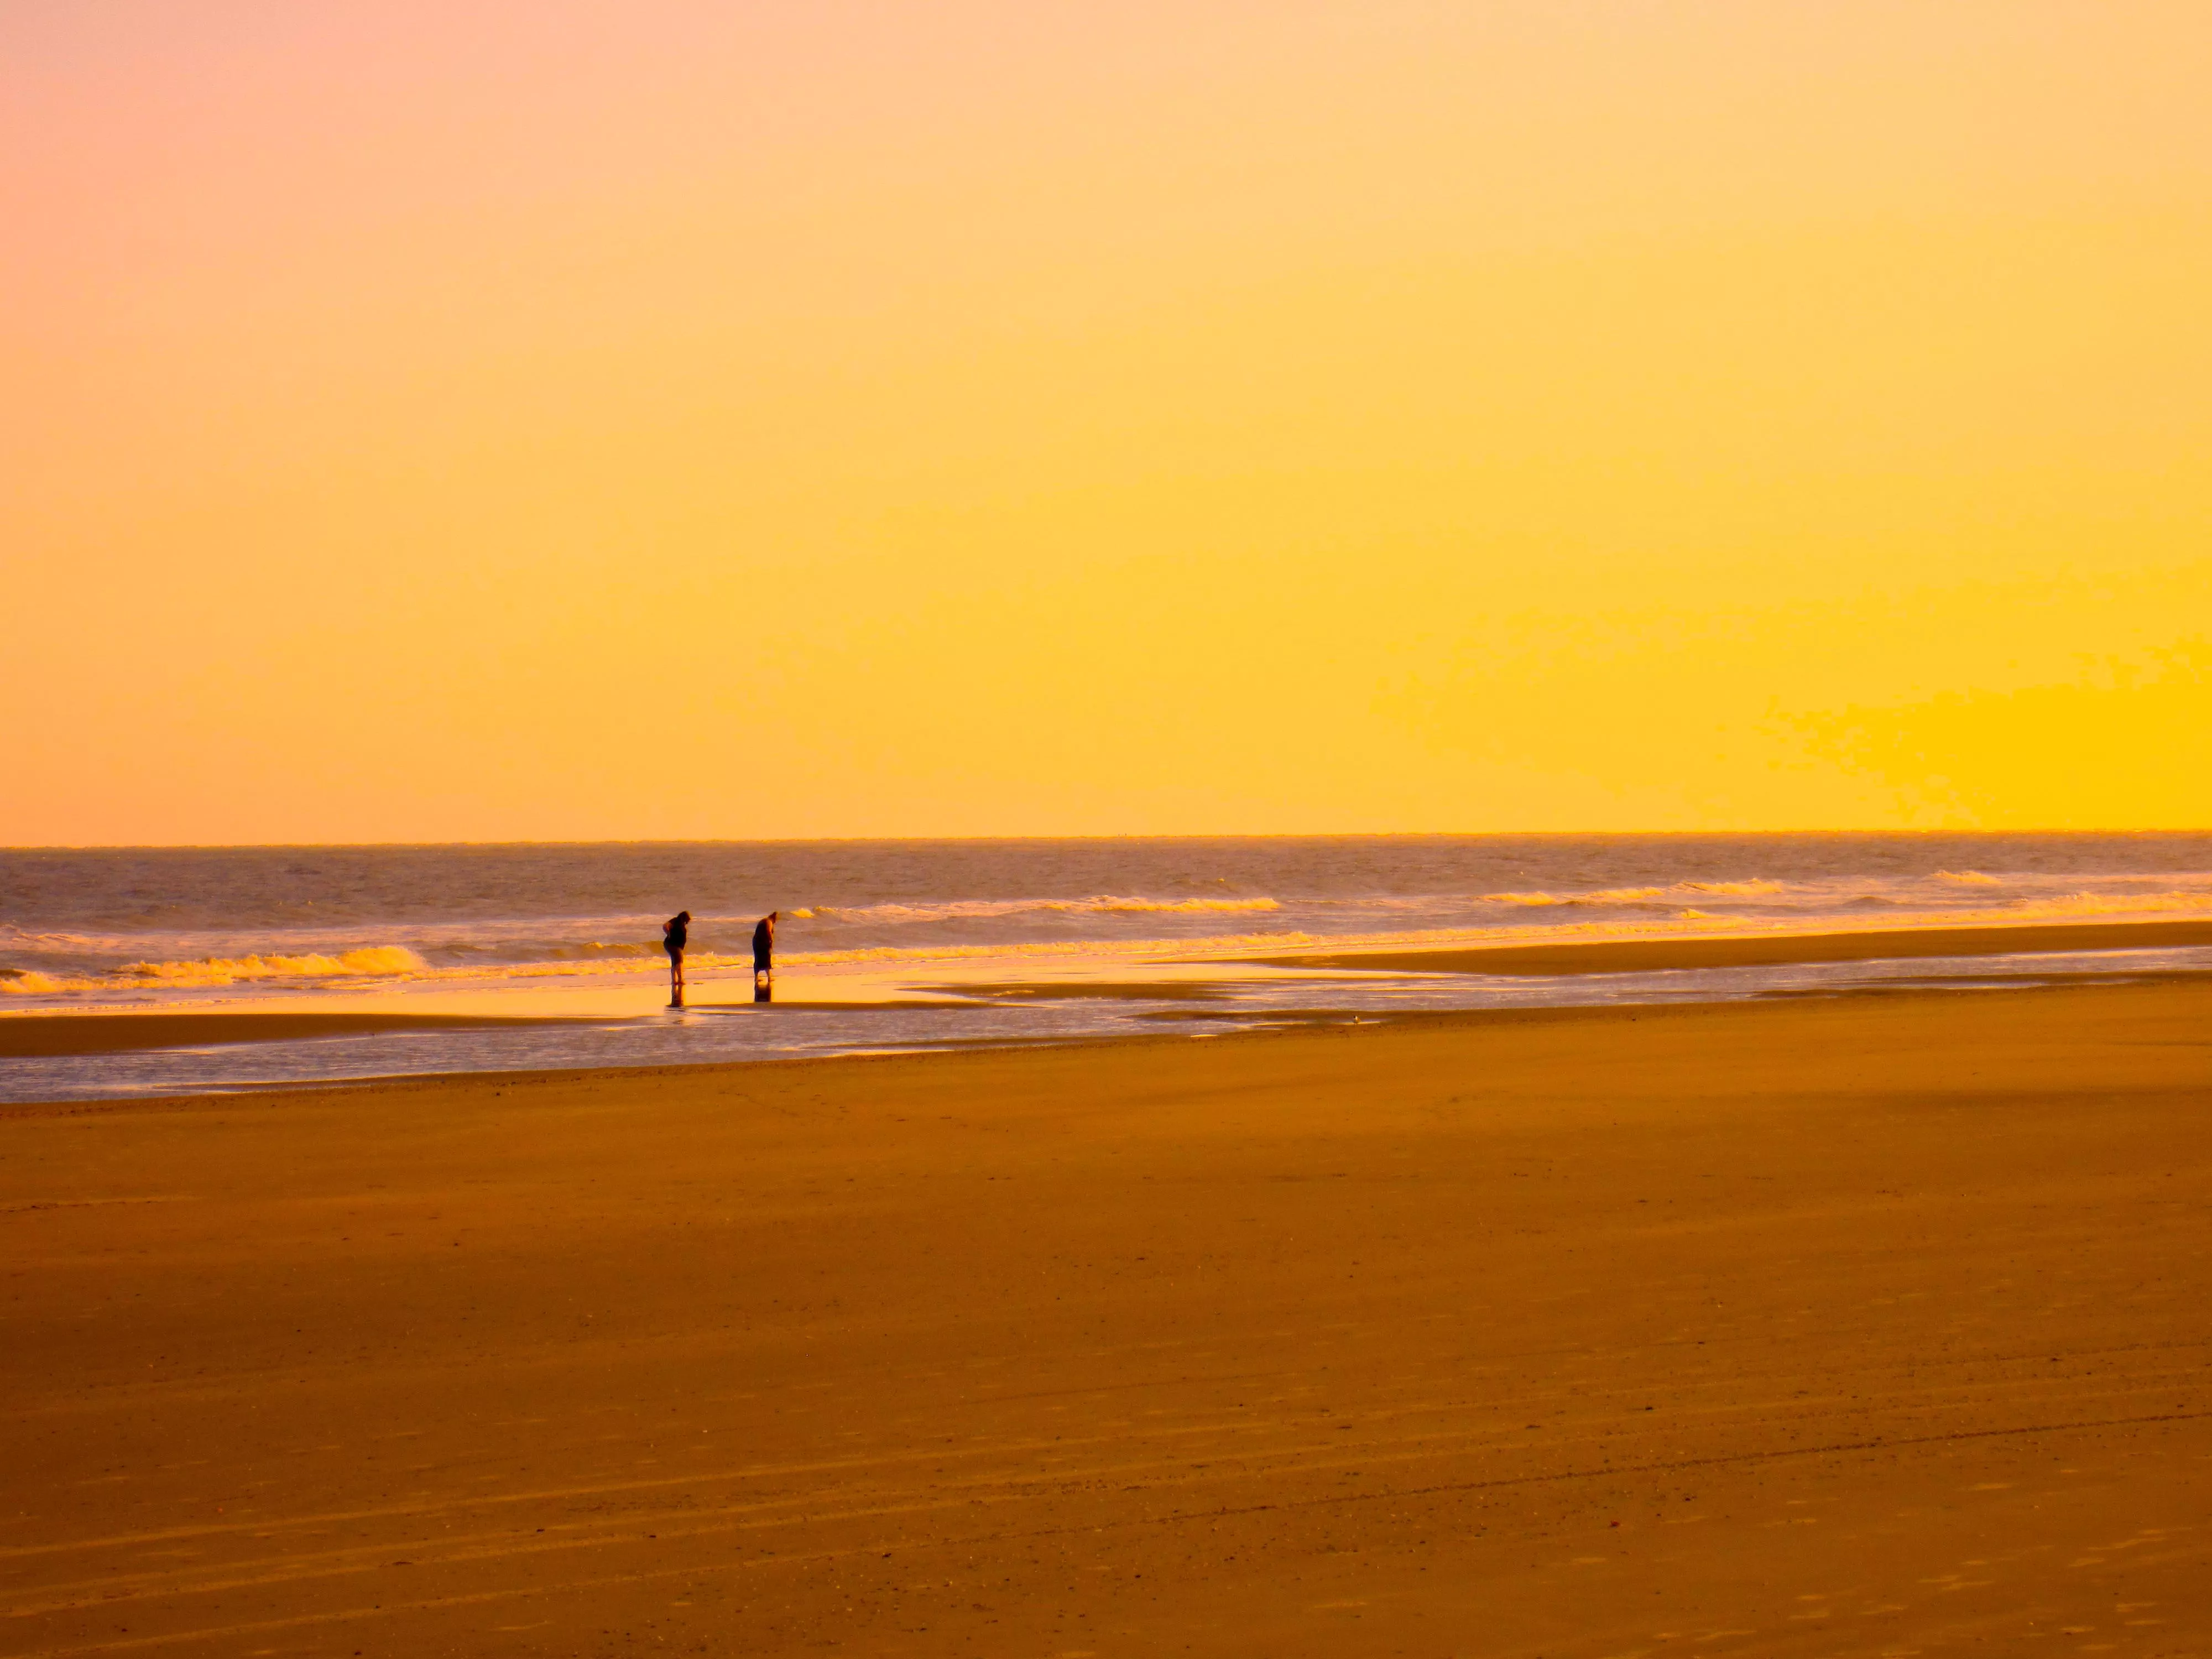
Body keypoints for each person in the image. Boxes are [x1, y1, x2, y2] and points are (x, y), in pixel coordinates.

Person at [662, 910, 691, 1006]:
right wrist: (669, 934)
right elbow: (665, 926)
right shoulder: (675, 921)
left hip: (677, 945)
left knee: (676, 961)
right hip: (671, 944)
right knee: (679, 961)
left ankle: (675, 980)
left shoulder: (681, 925)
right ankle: (679, 979)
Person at [752, 911, 778, 1002]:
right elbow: (769, 933)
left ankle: (756, 978)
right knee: (767, 958)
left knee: (758, 958)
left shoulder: (764, 921)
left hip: (756, 941)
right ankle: (769, 977)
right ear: (774, 918)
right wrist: (771, 943)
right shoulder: (769, 922)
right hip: (764, 941)